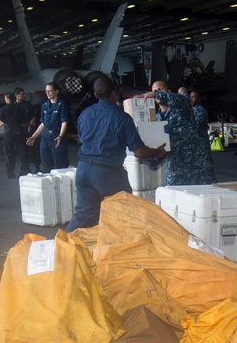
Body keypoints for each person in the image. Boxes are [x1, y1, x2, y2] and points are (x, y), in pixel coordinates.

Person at [65, 76, 166, 231]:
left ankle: (61, 246)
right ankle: (123, 250)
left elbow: (82, 137)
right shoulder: (122, 118)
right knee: (125, 213)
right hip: (107, 172)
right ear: (114, 93)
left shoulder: (85, 114)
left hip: (83, 169)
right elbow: (139, 151)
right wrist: (157, 151)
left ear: (96, 94)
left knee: (84, 215)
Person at [147, 80, 210, 185]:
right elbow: (161, 151)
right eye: (155, 91)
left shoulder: (182, 108)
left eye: (160, 90)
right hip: (176, 172)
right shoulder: (157, 120)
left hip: (197, 170)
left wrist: (156, 94)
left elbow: (185, 99)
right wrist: (148, 155)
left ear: (169, 92)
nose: (158, 93)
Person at [26, 82, 69, 171]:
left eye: (50, 91)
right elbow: (43, 123)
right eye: (46, 91)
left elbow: (64, 122)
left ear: (56, 91)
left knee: (60, 165)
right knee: (46, 164)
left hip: (56, 136)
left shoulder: (62, 105)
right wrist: (34, 136)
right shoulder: (44, 105)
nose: (48, 93)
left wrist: (60, 136)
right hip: (45, 137)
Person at [0, 91, 28, 179]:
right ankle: (24, 170)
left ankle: (10, 172)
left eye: (5, 98)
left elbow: (0, 122)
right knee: (21, 151)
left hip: (8, 132)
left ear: (8, 99)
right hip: (18, 131)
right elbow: (23, 119)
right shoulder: (18, 108)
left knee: (9, 152)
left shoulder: (3, 109)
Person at [189, 90, 216, 182]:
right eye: (190, 97)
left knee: (205, 169)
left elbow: (194, 125)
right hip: (193, 144)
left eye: (194, 97)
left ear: (199, 99)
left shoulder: (201, 110)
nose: (191, 99)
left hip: (201, 143)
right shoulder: (190, 110)